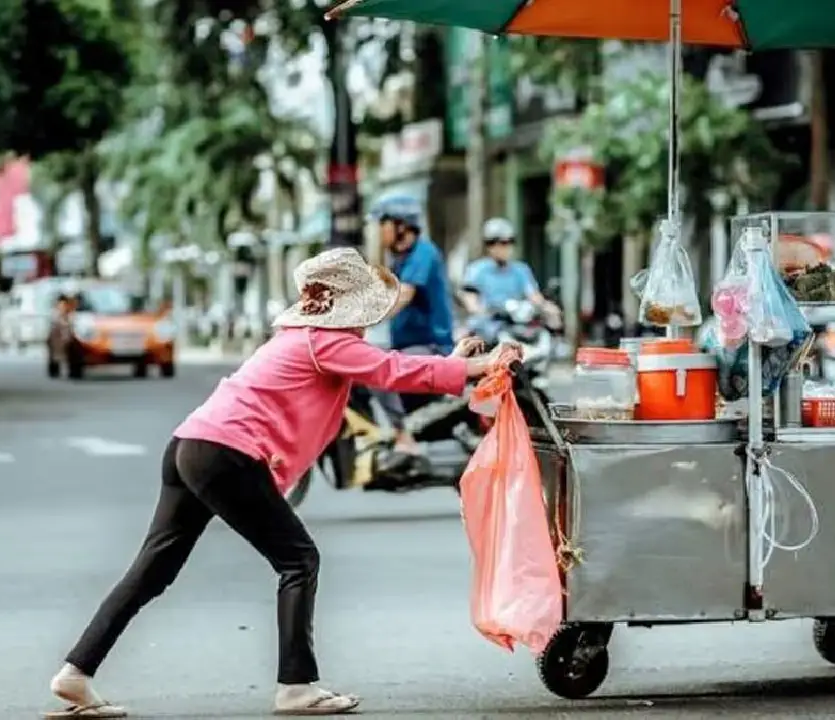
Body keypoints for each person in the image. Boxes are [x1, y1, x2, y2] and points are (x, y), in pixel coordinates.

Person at [45, 248, 518, 719]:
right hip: (225, 454)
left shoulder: (305, 337)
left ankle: (76, 673)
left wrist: (455, 363)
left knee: (152, 570)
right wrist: (475, 367)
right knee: (298, 558)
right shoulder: (325, 341)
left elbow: (384, 369)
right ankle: (297, 686)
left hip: (191, 444)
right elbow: (391, 371)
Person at [367, 194, 457, 456]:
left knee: (376, 370)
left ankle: (403, 437)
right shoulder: (399, 259)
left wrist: (363, 319)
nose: (378, 232)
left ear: (400, 226)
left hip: (432, 347)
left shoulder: (423, 253)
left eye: (381, 225)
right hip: (407, 347)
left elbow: (404, 294)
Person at [460, 217, 560, 342]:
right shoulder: (477, 270)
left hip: (515, 322)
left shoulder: (521, 270)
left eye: (508, 242)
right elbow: (470, 297)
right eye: (498, 243)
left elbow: (533, 295)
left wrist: (547, 307)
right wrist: (478, 309)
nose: (504, 247)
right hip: (486, 324)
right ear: (489, 245)